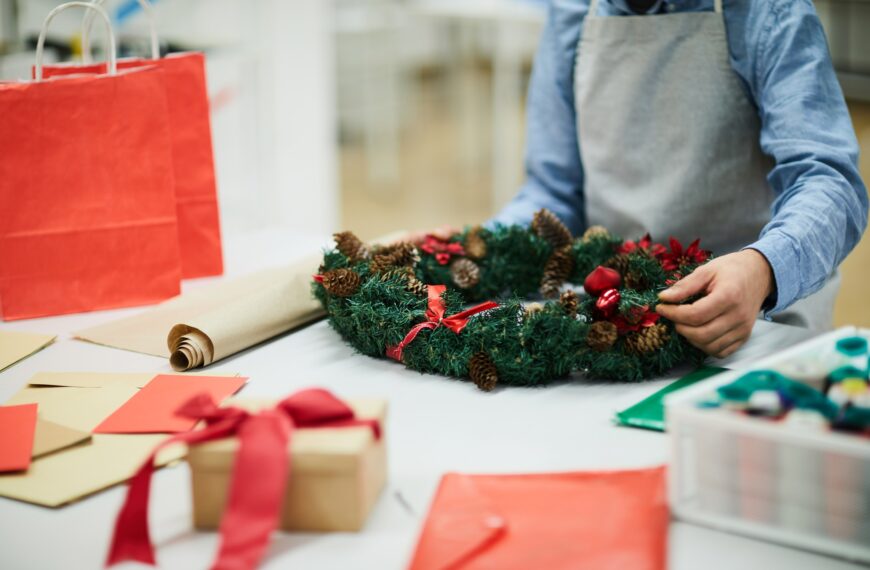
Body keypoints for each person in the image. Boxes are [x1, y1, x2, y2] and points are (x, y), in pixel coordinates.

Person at [489, 0, 868, 357]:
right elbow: (554, 192)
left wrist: (763, 267)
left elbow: (829, 181)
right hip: (614, 322)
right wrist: (471, 250)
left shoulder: (767, 11)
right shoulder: (572, 12)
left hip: (755, 323)